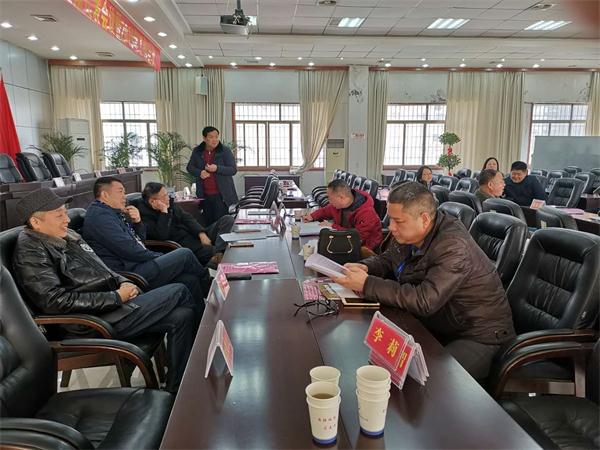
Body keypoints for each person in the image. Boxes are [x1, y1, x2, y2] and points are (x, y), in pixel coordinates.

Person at [13, 188, 198, 392]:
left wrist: (123, 282)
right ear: (36, 222)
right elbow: (54, 301)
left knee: (182, 315)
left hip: (110, 309)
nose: (67, 219)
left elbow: (102, 268)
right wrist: (115, 297)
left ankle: (177, 388)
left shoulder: (67, 235)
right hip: (90, 323)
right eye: (59, 215)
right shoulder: (30, 251)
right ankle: (203, 348)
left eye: (65, 212)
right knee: (179, 290)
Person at [332, 182, 515, 379]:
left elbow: (425, 300)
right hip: (439, 322)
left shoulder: (453, 246)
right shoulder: (411, 234)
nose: (391, 227)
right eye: (391, 219)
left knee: (431, 382)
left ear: (425, 219)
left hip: (479, 334)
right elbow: (388, 259)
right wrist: (366, 267)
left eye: (398, 221)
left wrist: (367, 284)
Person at [81, 177, 210, 302]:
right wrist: (158, 256)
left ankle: (204, 314)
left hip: (138, 263)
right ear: (105, 195)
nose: (124, 197)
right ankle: (211, 289)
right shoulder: (101, 217)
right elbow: (130, 250)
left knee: (190, 280)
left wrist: (137, 222)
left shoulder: (112, 212)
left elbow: (139, 242)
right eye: (120, 192)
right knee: (184, 254)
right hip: (129, 273)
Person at [133, 182, 234, 267]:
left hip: (194, 234)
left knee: (227, 219)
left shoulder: (170, 204)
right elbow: (162, 236)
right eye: (164, 196)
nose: (168, 198)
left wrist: (201, 233)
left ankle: (218, 253)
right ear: (152, 201)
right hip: (182, 244)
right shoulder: (144, 215)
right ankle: (217, 255)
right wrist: (164, 212)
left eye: (167, 194)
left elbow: (188, 218)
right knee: (226, 254)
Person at [303, 179, 383, 251]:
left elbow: (357, 237)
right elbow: (326, 210)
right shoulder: (339, 205)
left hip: (364, 249)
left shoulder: (366, 213)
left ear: (341, 197)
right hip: (344, 241)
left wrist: (333, 226)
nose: (329, 201)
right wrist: (312, 216)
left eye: (330, 198)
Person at [187, 126, 238, 225]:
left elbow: (233, 170)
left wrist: (217, 168)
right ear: (204, 138)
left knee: (222, 224)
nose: (214, 140)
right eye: (211, 137)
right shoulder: (197, 151)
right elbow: (190, 167)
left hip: (222, 196)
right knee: (207, 224)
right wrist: (200, 172)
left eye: (216, 137)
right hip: (204, 195)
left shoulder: (225, 151)